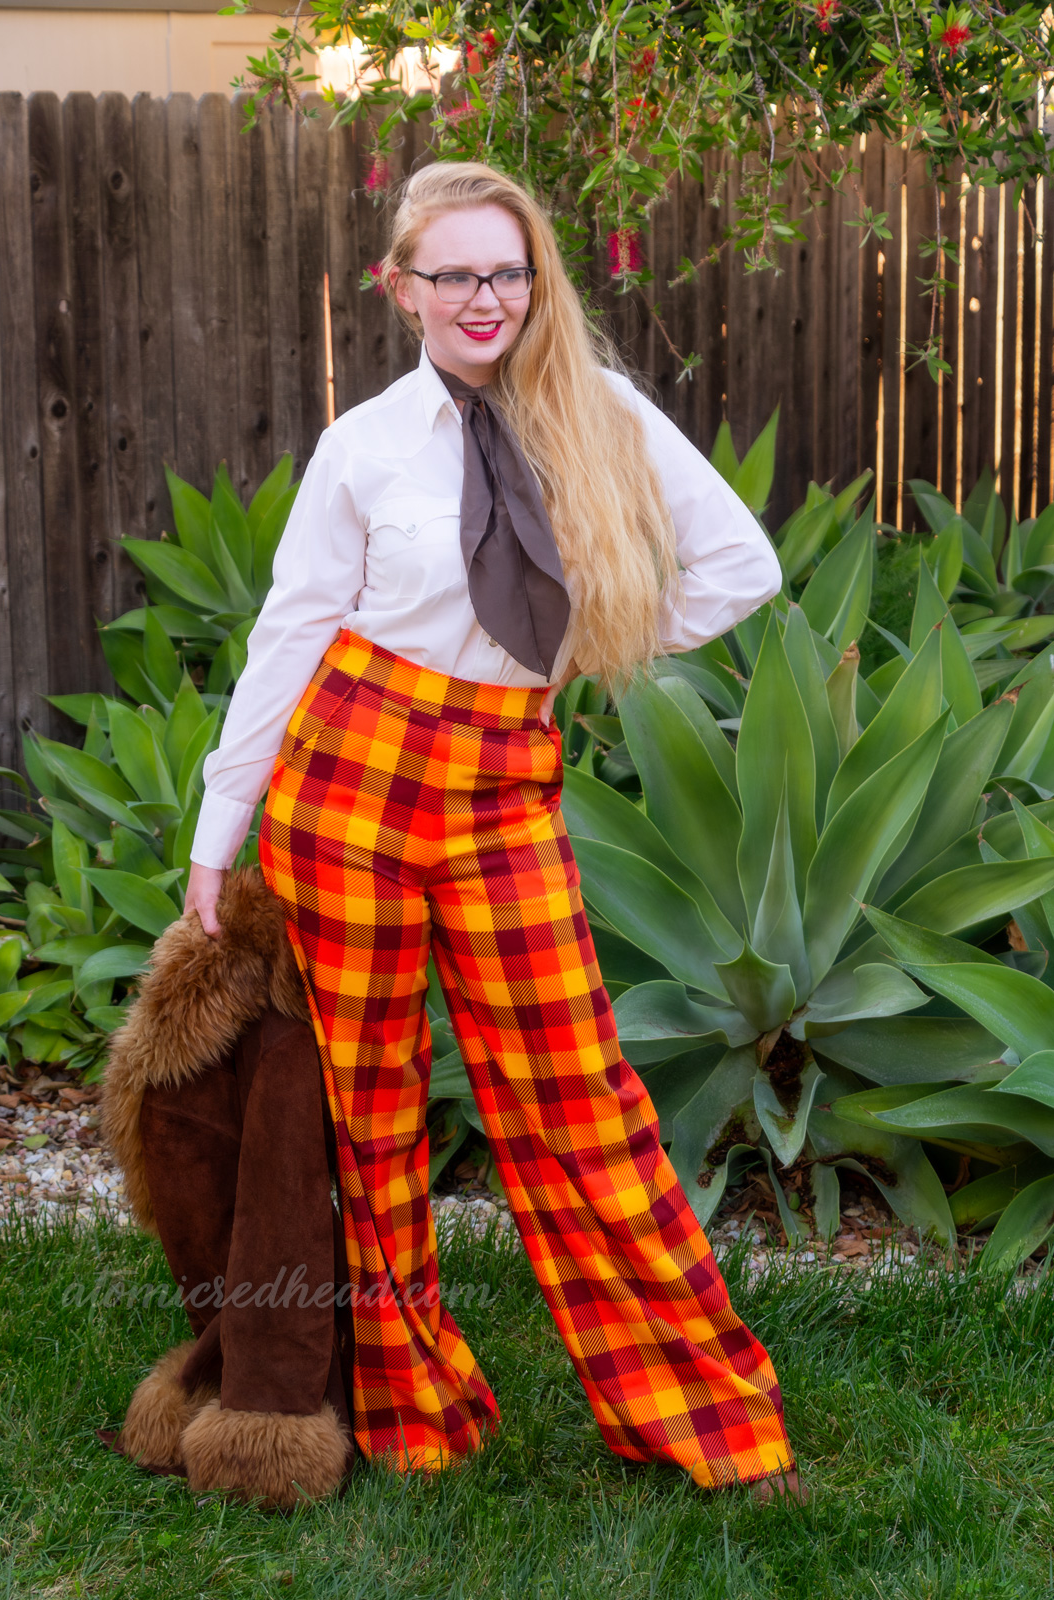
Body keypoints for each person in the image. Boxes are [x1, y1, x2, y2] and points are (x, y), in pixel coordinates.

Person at [184, 160, 804, 1500]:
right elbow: (293, 631)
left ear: (537, 283)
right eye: (455, 273)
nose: (485, 298)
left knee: (580, 1097)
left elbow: (742, 565)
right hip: (349, 772)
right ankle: (415, 1414)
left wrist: (593, 639)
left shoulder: (602, 413)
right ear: (400, 286)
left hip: (500, 779)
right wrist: (218, 830)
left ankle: (708, 1423)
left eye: (508, 272)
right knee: (366, 1107)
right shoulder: (364, 446)